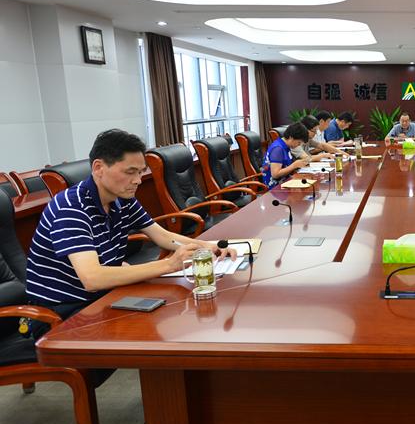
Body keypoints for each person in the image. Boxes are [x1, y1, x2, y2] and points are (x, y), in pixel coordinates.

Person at [25, 129, 236, 338]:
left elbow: (162, 236)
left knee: (175, 315)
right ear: (98, 168)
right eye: (130, 172)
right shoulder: (70, 208)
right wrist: (169, 265)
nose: (138, 180)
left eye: (140, 172)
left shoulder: (122, 199)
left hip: (104, 296)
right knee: (158, 331)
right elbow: (92, 278)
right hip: (64, 312)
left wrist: (209, 247)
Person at [262, 122, 310, 189]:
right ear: (291, 137)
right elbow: (275, 174)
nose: (299, 145)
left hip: (286, 181)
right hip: (275, 187)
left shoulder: (286, 146)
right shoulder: (278, 149)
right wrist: (294, 165)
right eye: (299, 142)